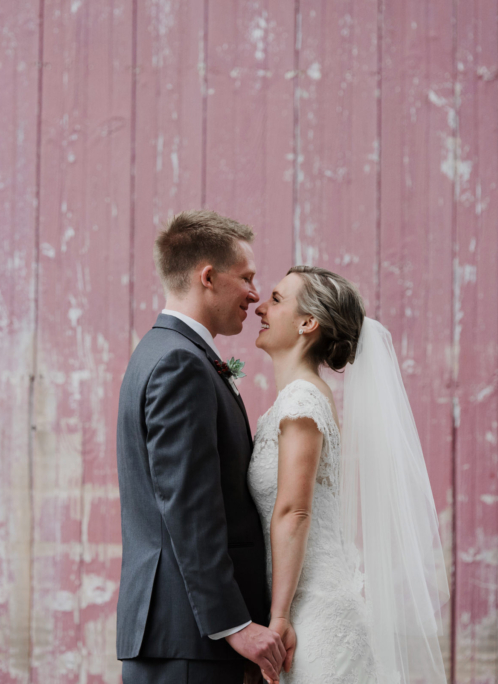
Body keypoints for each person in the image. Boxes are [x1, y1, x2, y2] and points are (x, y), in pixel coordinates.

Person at [249, 265, 450, 683]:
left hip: (312, 616)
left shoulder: (302, 400)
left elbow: (294, 512)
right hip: (302, 607)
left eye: (277, 299)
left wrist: (279, 616)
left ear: (308, 323)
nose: (260, 308)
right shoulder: (296, 400)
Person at [116, 211, 287, 684]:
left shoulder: (162, 351)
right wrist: (233, 625)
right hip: (192, 642)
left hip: (179, 636)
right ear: (208, 277)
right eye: (247, 278)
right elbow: (189, 506)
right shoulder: (179, 363)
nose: (255, 295)